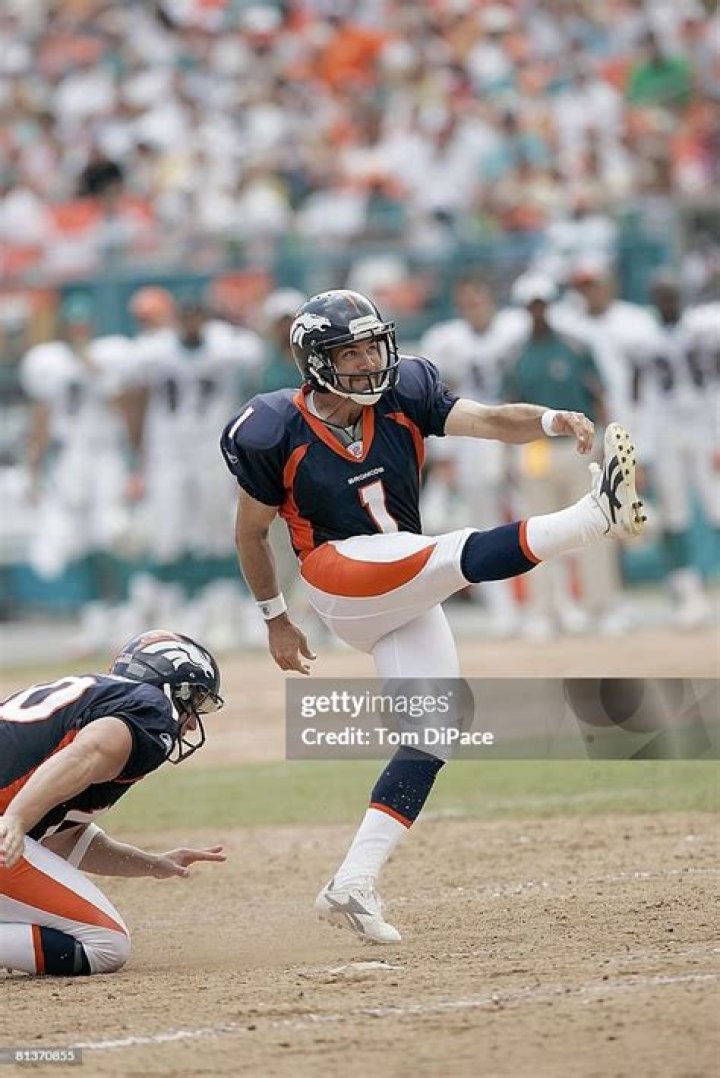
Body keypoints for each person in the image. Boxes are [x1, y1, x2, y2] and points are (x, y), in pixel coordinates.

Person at [220, 289, 645, 945]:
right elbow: (250, 533)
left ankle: (352, 882)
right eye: (350, 353)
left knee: (434, 731)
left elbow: (492, 420)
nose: (369, 362)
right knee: (446, 554)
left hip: (402, 583)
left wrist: (553, 419)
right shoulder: (273, 427)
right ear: (315, 362)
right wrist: (275, 617)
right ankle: (594, 517)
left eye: (372, 346)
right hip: (339, 575)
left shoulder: (406, 391)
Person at [0, 630, 225, 976]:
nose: (193, 723)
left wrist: (152, 864)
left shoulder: (102, 697)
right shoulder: (152, 709)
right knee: (107, 943)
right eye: (195, 701)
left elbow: (64, 839)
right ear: (173, 688)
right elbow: (86, 753)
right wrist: (16, 818)